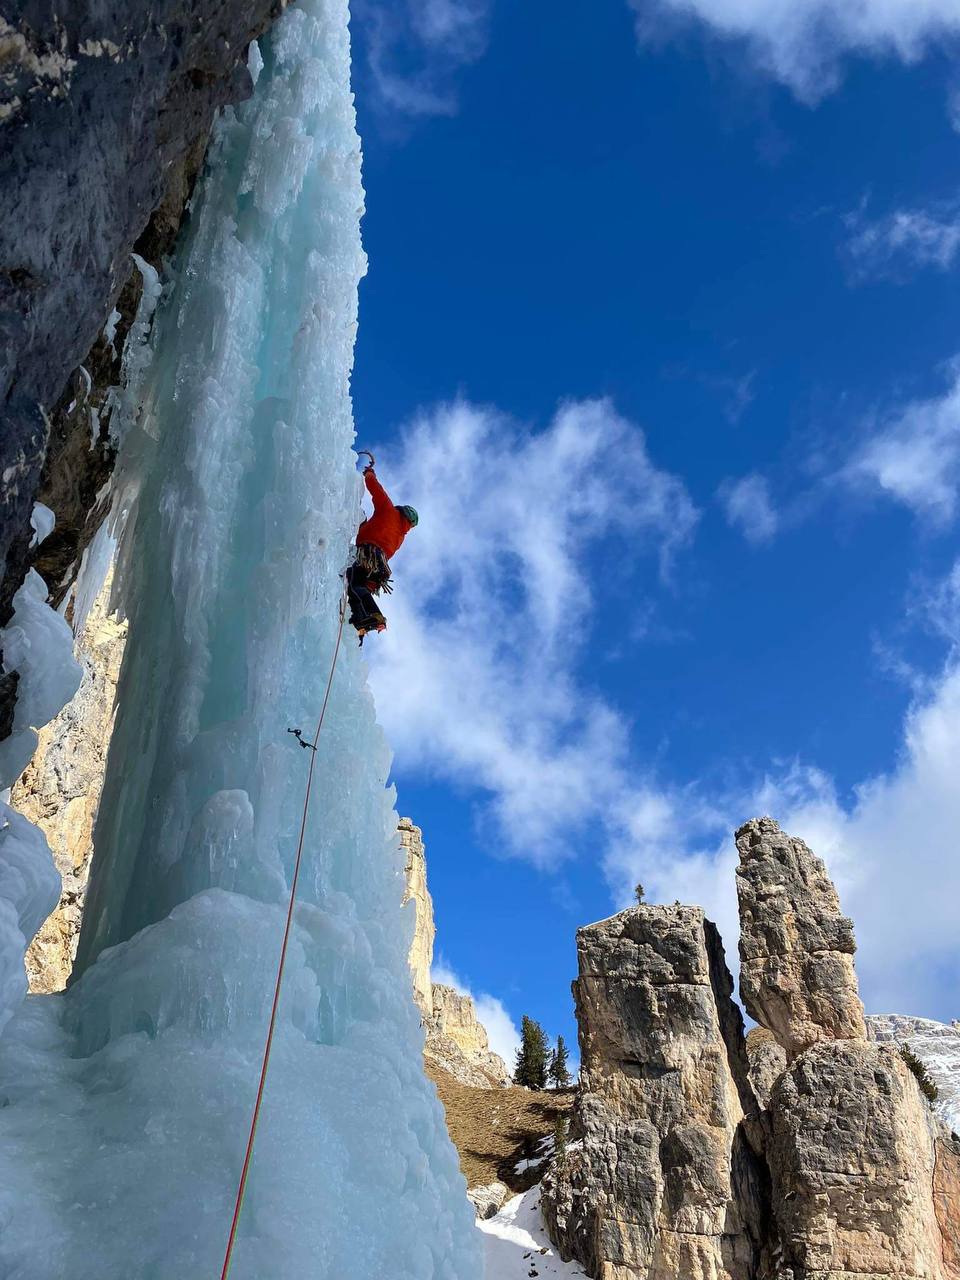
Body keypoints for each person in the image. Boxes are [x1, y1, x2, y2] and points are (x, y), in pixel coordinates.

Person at [346, 462, 418, 639]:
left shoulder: (389, 511)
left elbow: (376, 489)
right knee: (356, 586)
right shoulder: (400, 536)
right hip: (379, 567)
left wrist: (369, 473)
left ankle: (373, 616)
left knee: (352, 583)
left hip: (368, 554)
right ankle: (360, 621)